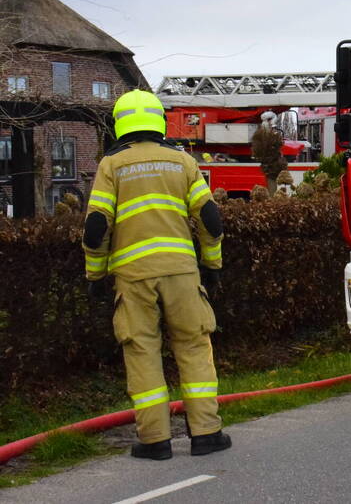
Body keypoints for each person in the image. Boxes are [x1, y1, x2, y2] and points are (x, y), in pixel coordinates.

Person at [82, 90, 231, 460]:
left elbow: (96, 228)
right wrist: (211, 267)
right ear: (159, 121)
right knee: (195, 348)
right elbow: (211, 222)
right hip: (181, 273)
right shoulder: (182, 161)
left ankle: (154, 441)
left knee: (142, 352)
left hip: (133, 277)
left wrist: (95, 275)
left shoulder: (111, 166)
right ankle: (207, 435)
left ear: (120, 124)